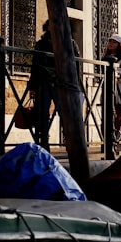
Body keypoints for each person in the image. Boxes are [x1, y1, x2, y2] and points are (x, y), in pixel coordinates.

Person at [27, 20, 80, 150]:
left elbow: (76, 65)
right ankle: (43, 141)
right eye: (52, 24)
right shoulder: (41, 43)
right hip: (43, 81)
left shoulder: (70, 43)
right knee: (42, 113)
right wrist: (32, 86)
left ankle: (70, 141)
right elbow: (35, 66)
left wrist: (75, 84)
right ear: (48, 27)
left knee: (65, 112)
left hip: (62, 83)